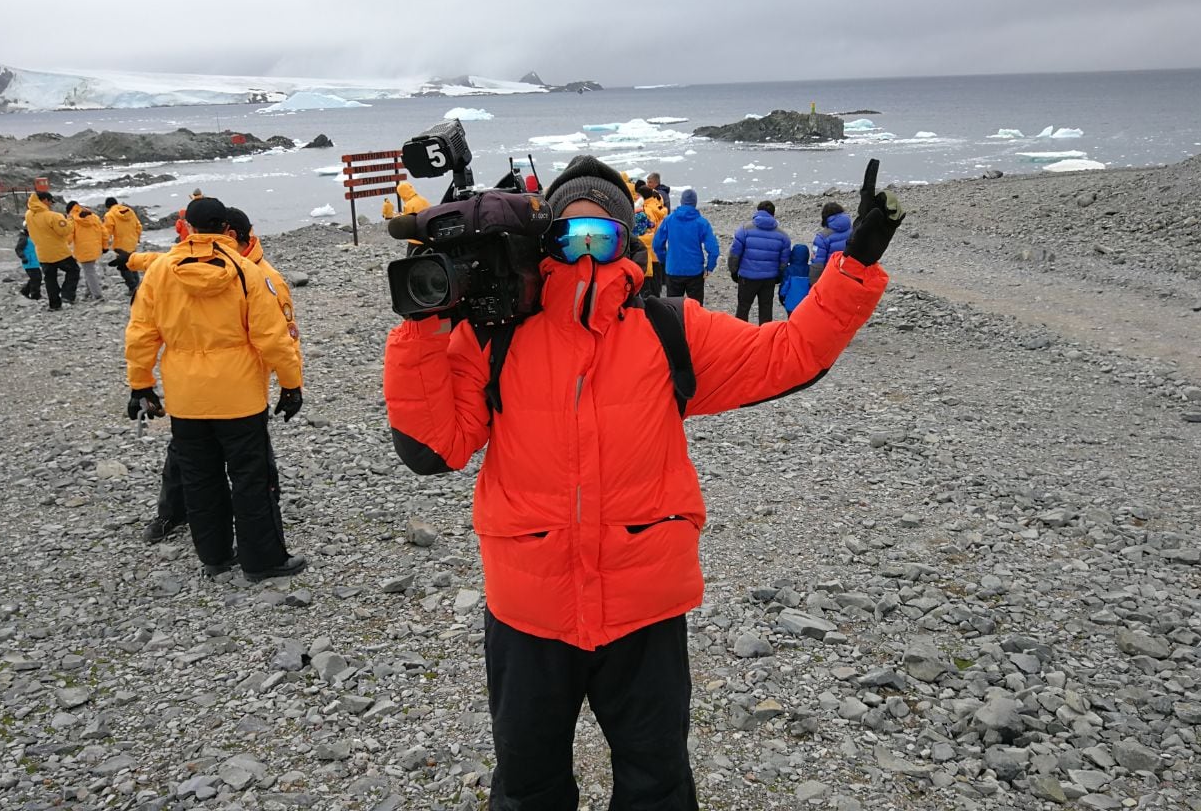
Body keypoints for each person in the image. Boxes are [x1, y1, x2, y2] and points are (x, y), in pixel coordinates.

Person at [383, 155, 903, 810]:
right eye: (570, 238)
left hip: (644, 612)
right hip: (528, 613)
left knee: (655, 786)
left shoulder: (669, 330)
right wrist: (427, 316)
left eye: (602, 238)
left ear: (629, 243)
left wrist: (851, 266)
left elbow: (790, 355)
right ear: (547, 243)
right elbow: (433, 447)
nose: (586, 257)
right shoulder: (499, 335)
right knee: (526, 787)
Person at [124, 196, 307, 581]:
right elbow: (272, 337)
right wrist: (291, 385)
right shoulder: (246, 271)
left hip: (186, 397)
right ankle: (262, 560)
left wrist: (141, 384)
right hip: (239, 395)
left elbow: (142, 332)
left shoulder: (160, 272)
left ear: (187, 228)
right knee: (251, 479)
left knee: (199, 479)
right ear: (226, 229)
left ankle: (215, 556)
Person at [727, 200, 791, 325]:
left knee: (743, 308)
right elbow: (784, 260)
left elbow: (734, 253)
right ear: (773, 214)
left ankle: (740, 337)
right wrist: (780, 276)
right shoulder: (782, 235)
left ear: (757, 212)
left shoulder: (744, 229)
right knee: (766, 310)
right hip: (769, 278)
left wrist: (734, 271)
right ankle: (765, 339)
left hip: (747, 277)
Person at [652, 189, 718, 304]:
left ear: (681, 202)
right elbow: (714, 250)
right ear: (695, 203)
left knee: (673, 308)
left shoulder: (669, 220)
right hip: (695, 271)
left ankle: (675, 322)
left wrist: (665, 260)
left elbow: (657, 244)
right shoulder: (701, 223)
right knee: (696, 309)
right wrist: (709, 267)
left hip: (673, 269)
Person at [24, 192, 78, 311]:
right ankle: (67, 295)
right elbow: (64, 231)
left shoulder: (28, 215)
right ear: (44, 200)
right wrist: (70, 220)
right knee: (74, 270)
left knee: (50, 278)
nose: (51, 204)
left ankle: (54, 304)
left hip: (42, 253)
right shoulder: (53, 216)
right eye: (50, 201)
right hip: (59, 251)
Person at [67, 201, 109, 301]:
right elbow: (104, 233)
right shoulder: (94, 216)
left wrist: (62, 245)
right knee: (89, 270)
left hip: (83, 249)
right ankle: (88, 293)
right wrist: (105, 246)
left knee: (89, 272)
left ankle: (97, 295)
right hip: (95, 248)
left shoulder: (72, 219)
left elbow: (68, 237)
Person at [104, 197, 144, 299]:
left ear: (107, 207)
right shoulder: (129, 211)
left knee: (124, 267)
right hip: (132, 241)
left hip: (120, 245)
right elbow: (138, 226)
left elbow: (107, 232)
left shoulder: (109, 215)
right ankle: (138, 284)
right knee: (133, 262)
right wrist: (137, 238)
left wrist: (104, 245)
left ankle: (132, 287)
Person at [638, 186, 669, 297]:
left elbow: (648, 230)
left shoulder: (647, 210)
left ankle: (653, 301)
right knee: (656, 278)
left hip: (650, 249)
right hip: (657, 246)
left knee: (651, 282)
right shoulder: (656, 204)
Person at [810, 201, 852, 281]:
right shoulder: (854, 231)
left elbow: (817, 264)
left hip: (831, 278)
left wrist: (813, 283)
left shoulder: (822, 237)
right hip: (851, 276)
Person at [778, 243, 812, 316]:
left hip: (791, 304)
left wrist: (782, 298)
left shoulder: (789, 270)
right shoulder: (810, 270)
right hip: (806, 304)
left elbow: (784, 287)